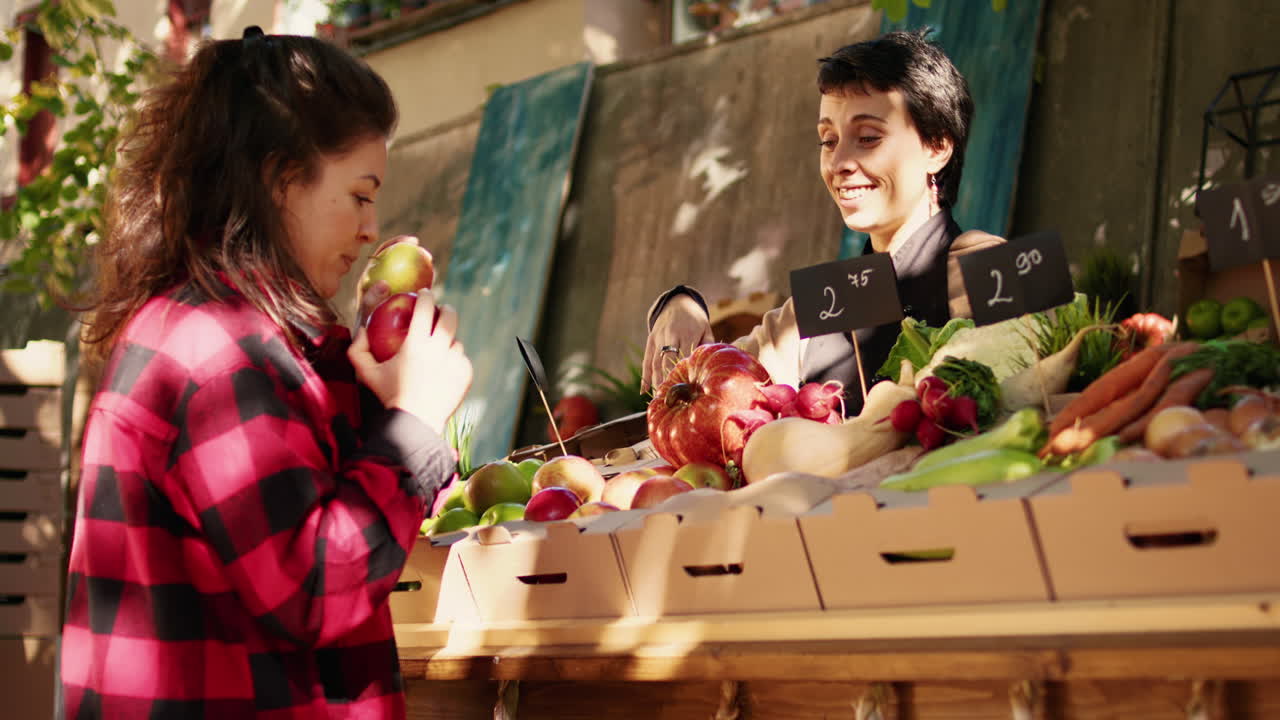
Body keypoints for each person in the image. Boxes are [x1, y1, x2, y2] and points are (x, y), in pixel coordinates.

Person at [61, 28, 471, 718]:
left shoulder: (231, 333)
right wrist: (416, 423)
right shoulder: (217, 351)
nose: (372, 228)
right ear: (282, 180)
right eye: (360, 194)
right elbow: (315, 586)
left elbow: (316, 501)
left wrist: (378, 396)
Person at [642, 29, 1002, 414]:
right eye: (828, 140)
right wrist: (680, 303)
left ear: (937, 148)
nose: (838, 163)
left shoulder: (988, 265)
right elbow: (714, 383)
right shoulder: (829, 299)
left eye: (867, 137)